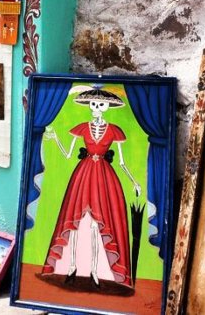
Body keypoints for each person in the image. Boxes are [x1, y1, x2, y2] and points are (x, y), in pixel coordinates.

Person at [42, 86, 140, 288]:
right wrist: (56, 139)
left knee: (98, 224)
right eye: (94, 104)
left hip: (104, 177)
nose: (96, 108)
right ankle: (71, 266)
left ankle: (95, 270)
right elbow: (68, 155)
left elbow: (121, 162)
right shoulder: (83, 127)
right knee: (76, 222)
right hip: (83, 174)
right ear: (89, 105)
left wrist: (134, 181)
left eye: (100, 105)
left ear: (107, 107)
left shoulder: (114, 130)